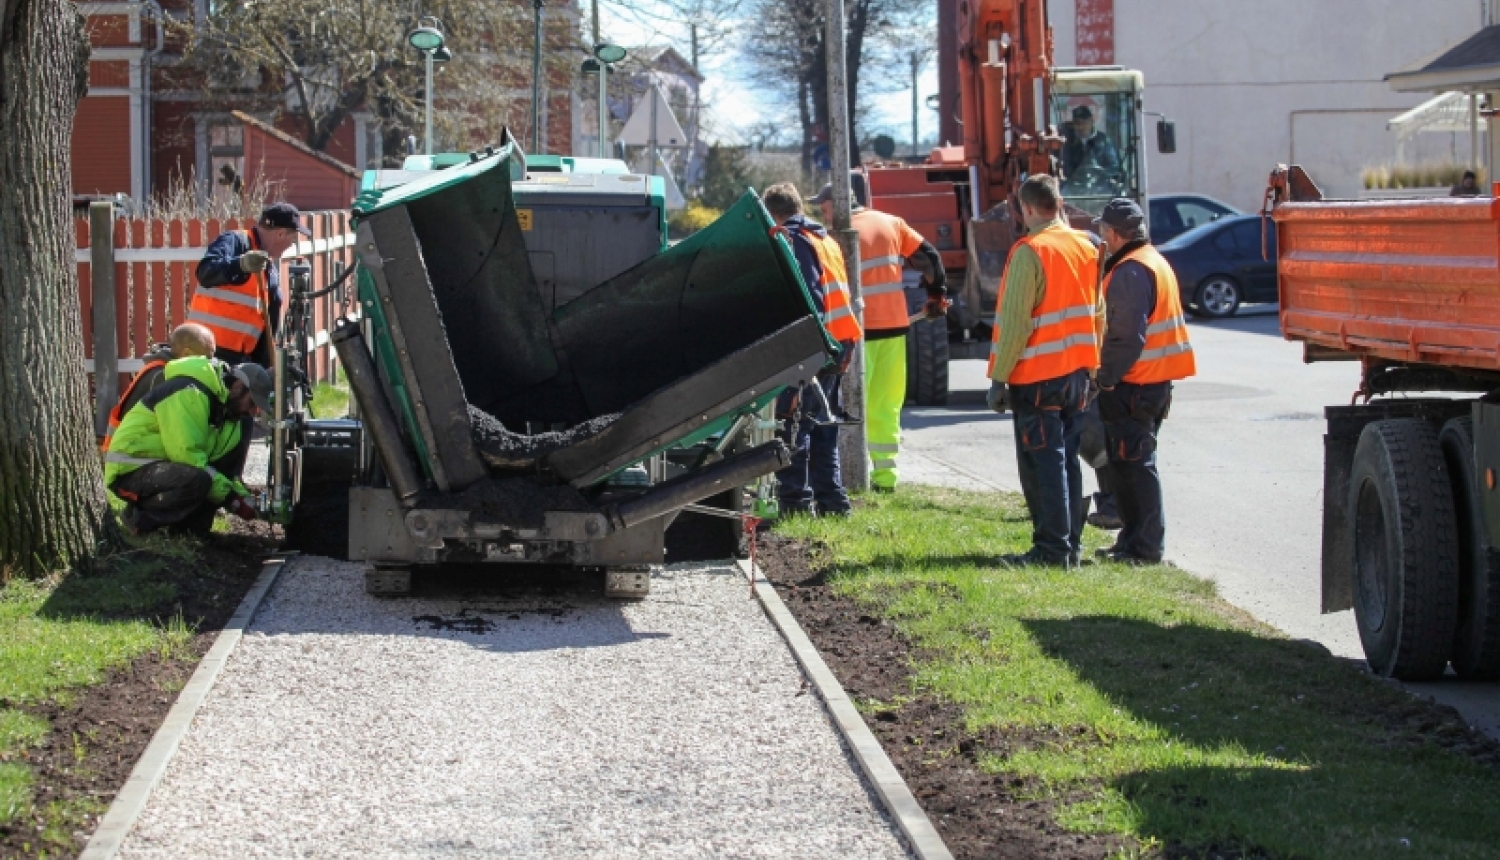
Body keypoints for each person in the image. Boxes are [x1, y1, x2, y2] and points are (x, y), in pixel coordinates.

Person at [986, 174, 1103, 567]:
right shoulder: (1086, 246)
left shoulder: (1029, 251)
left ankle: (1051, 550)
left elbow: (1017, 324)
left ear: (1027, 208)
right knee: (1067, 459)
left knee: (1044, 463)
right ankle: (1069, 546)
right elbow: (1099, 313)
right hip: (1077, 375)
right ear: (1059, 203)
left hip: (1037, 376)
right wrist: (1093, 365)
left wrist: (1000, 377)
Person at [810, 173, 947, 492]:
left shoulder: (835, 236)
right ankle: (885, 477)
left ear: (834, 205)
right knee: (887, 403)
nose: (822, 213)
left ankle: (848, 477)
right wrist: (936, 296)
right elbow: (929, 257)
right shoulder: (892, 223)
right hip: (895, 329)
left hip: (856, 333)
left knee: (849, 403)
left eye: (823, 207)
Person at [1092, 198, 1197, 564]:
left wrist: (1104, 378)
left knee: (1136, 469)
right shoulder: (1151, 261)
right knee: (1129, 467)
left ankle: (1145, 548)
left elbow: (1125, 337)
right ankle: (1131, 542)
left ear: (1115, 234)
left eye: (1102, 230)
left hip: (1133, 385)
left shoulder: (1130, 271)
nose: (1100, 237)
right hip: (1150, 383)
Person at [761, 182, 863, 517]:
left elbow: (811, 301)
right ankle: (833, 505)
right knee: (822, 426)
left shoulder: (795, 240)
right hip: (838, 343)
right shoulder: (824, 239)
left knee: (794, 423)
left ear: (772, 213)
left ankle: (795, 504)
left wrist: (800, 351)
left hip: (815, 346)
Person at [104, 358, 273, 536]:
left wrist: (242, 497)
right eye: (252, 403)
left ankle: (187, 532)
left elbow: (219, 470)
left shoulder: (225, 410)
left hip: (163, 468)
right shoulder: (190, 393)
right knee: (198, 480)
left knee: (207, 480)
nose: (253, 412)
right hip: (130, 470)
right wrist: (232, 499)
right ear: (238, 386)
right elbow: (187, 456)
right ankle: (139, 521)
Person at [189, 202, 310, 366]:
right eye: (293, 239)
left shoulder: (270, 271)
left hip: (240, 360)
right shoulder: (235, 242)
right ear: (281, 234)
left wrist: (266, 369)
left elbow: (266, 328)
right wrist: (241, 265)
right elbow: (206, 272)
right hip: (203, 352)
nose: (292, 245)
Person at [100, 323, 216, 451]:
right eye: (206, 357)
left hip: (130, 446)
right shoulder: (164, 376)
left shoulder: (161, 368)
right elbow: (178, 430)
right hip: (129, 452)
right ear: (186, 352)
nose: (209, 363)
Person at [1062, 105, 1121, 179]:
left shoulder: (1104, 141)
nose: (1081, 126)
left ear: (1092, 121)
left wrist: (1100, 174)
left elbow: (1114, 167)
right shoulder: (1068, 142)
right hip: (1074, 185)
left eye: (1084, 122)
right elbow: (1065, 166)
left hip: (1100, 186)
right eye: (1077, 123)